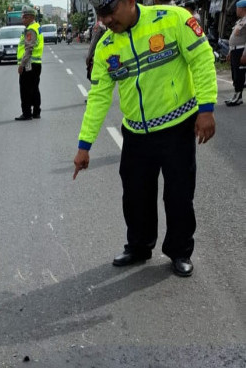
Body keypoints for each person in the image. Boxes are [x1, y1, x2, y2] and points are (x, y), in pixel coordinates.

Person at [73, 0, 217, 277]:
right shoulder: (106, 47)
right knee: (136, 196)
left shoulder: (172, 19)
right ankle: (139, 246)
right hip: (136, 134)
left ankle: (179, 251)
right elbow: (99, 98)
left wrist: (207, 109)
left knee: (179, 195)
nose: (106, 21)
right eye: (101, 16)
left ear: (129, 2)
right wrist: (84, 146)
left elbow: (201, 59)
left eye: (110, 13)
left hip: (177, 127)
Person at [15, 5, 44, 121]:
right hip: (36, 63)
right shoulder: (37, 27)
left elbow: (28, 49)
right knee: (34, 88)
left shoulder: (31, 30)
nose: (23, 20)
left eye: (25, 17)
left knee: (25, 89)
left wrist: (22, 65)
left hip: (29, 64)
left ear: (32, 17)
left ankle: (27, 113)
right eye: (23, 17)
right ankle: (36, 112)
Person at [225, 0, 246, 106]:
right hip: (234, 50)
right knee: (234, 73)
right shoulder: (240, 21)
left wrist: (245, 54)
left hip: (241, 51)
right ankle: (236, 95)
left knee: (239, 75)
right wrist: (230, 52)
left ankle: (238, 97)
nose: (236, 10)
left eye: (237, 8)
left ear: (242, 9)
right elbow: (233, 38)